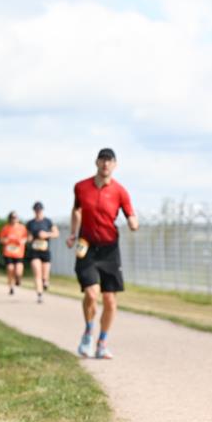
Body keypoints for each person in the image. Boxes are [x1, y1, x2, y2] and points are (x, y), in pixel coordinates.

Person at [66, 147, 138, 359]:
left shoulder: (120, 191)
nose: (106, 164)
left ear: (115, 165)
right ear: (96, 162)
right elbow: (77, 210)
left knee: (109, 300)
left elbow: (130, 214)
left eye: (110, 161)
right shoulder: (81, 187)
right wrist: (73, 233)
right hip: (86, 246)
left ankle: (102, 342)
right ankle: (88, 332)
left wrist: (133, 222)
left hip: (109, 249)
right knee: (91, 293)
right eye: (102, 160)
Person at [26, 201, 59, 303]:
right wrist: (29, 239)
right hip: (34, 251)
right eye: (36, 210)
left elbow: (56, 233)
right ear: (34, 211)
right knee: (37, 273)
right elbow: (28, 236)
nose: (38, 211)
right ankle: (39, 295)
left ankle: (45, 282)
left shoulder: (48, 222)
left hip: (45, 251)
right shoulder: (30, 223)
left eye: (39, 210)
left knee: (45, 276)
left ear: (42, 210)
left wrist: (46, 234)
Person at [0, 211, 29, 295]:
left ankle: (18, 279)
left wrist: (22, 241)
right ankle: (11, 287)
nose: (14, 219)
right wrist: (5, 240)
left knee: (18, 271)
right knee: (10, 269)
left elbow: (26, 238)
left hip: (19, 253)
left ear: (18, 218)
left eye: (15, 217)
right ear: (9, 218)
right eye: (12, 217)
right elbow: (1, 239)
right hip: (8, 253)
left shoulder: (22, 228)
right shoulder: (6, 228)